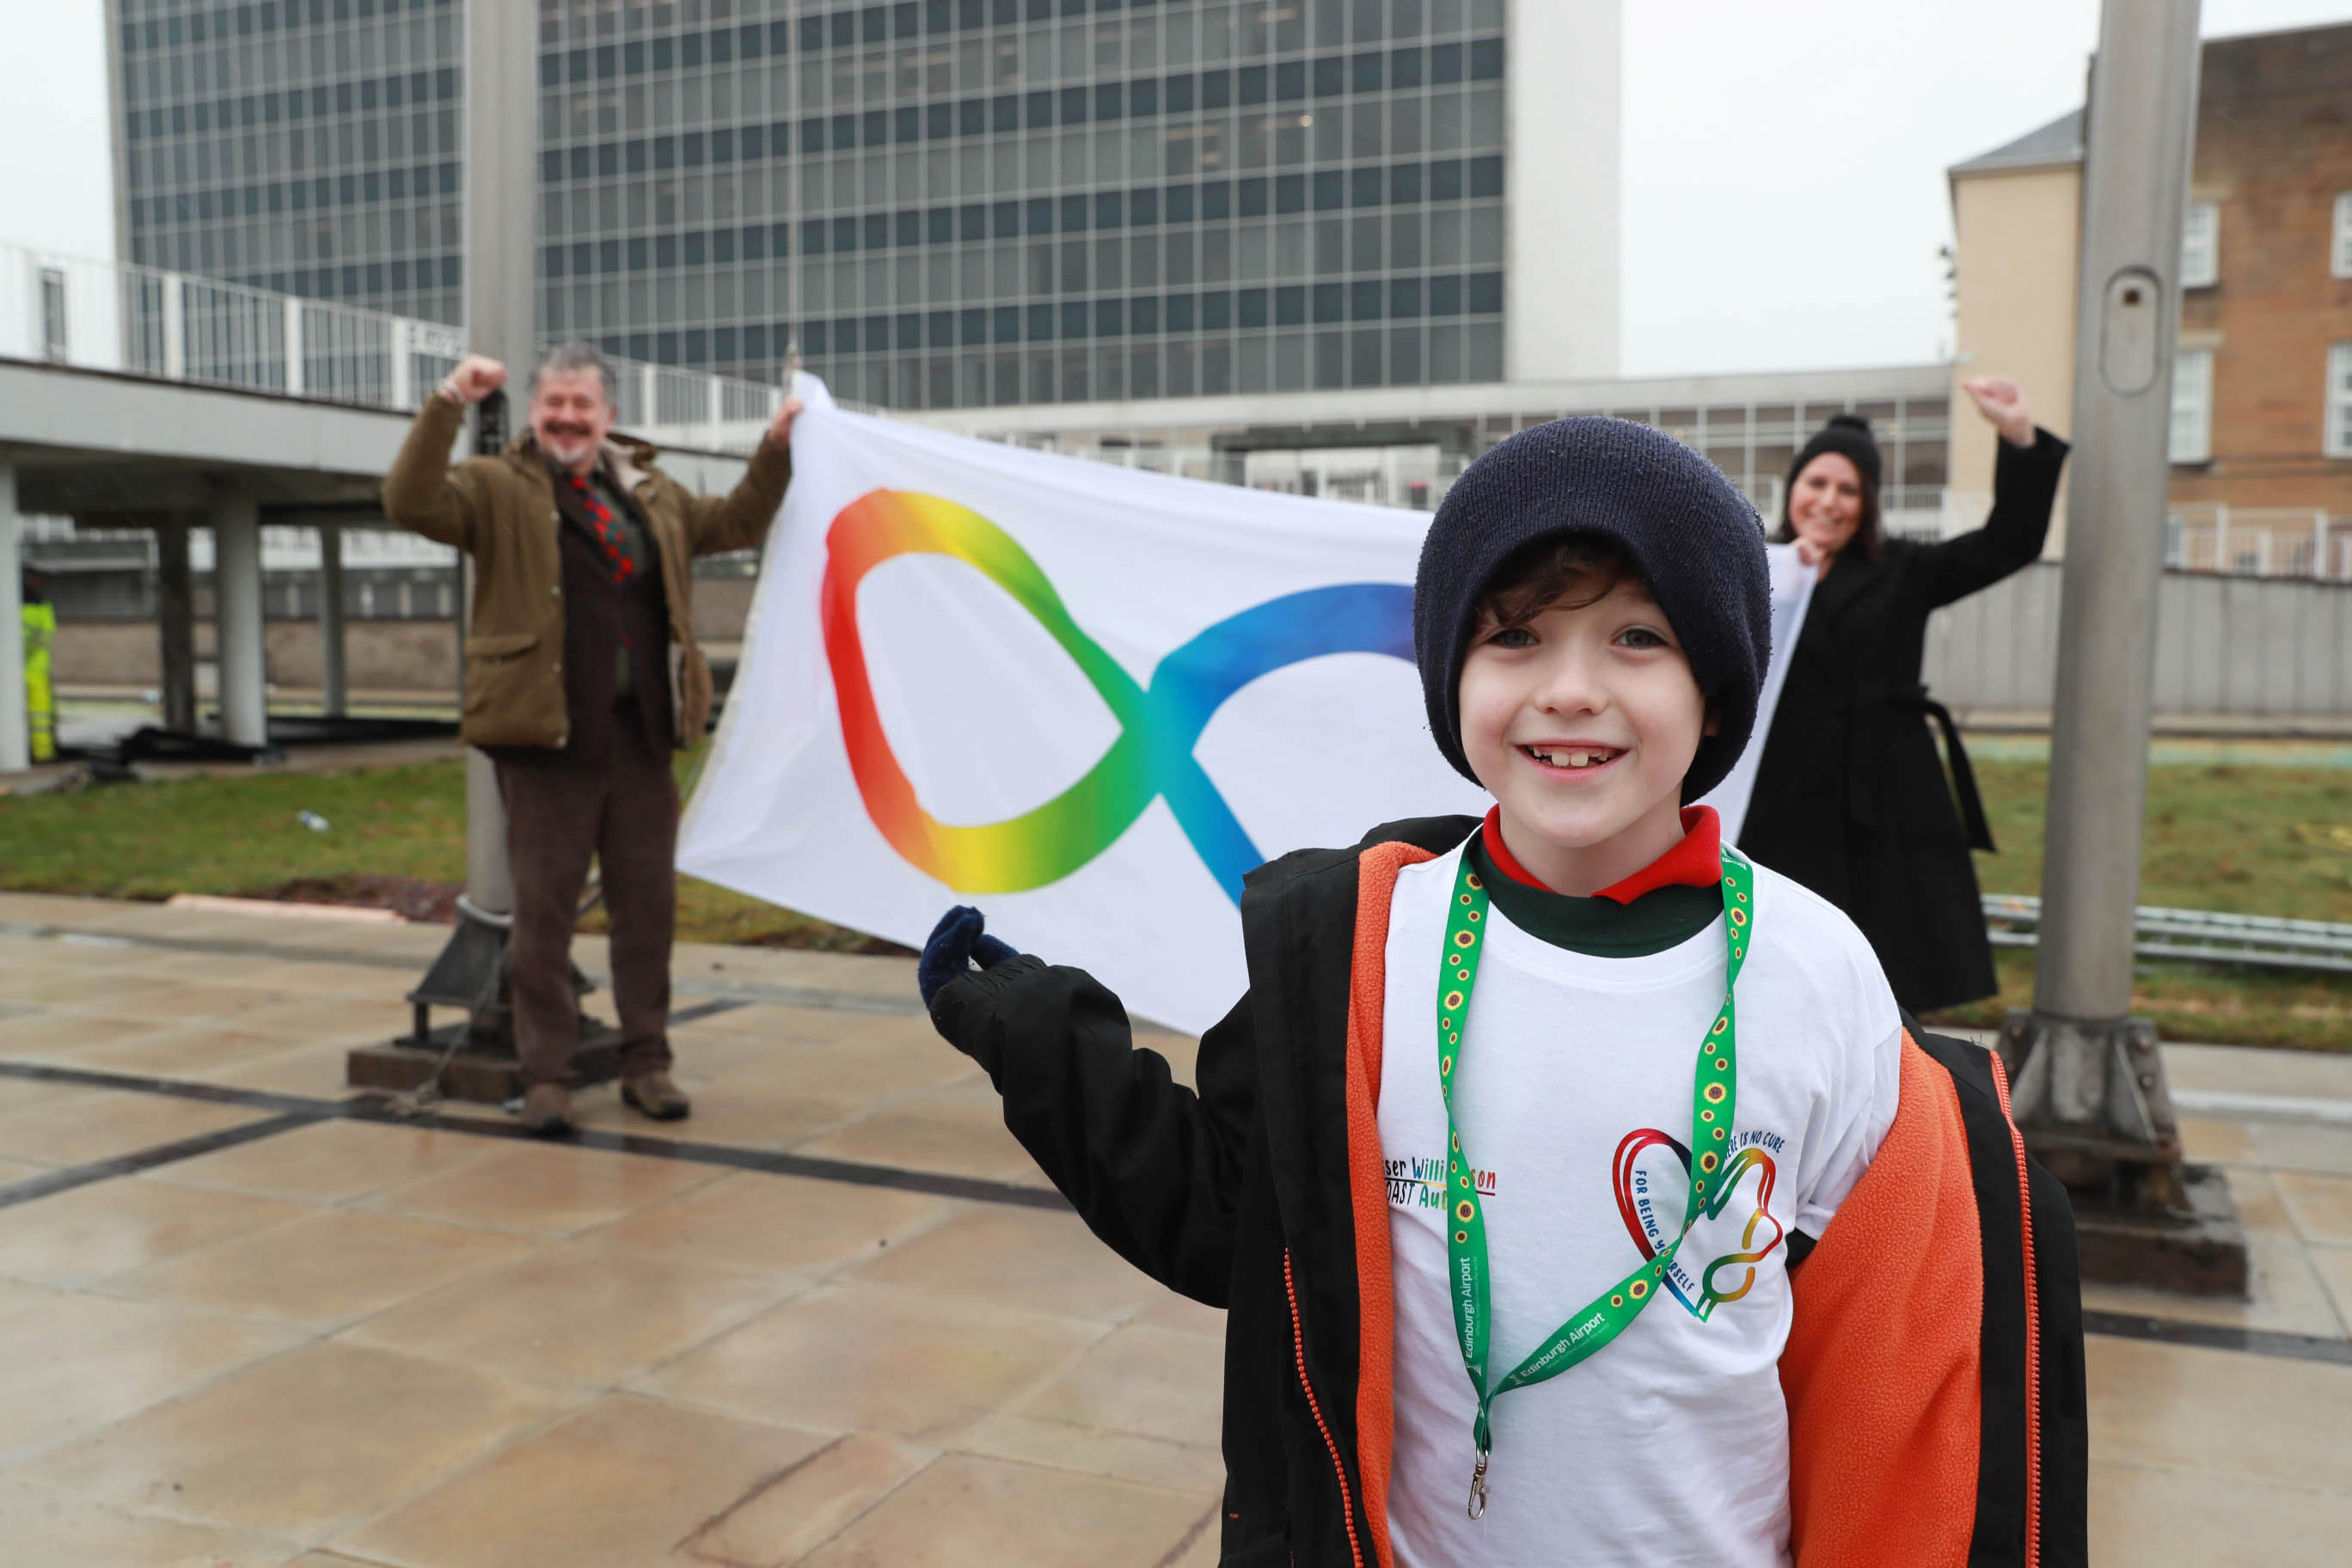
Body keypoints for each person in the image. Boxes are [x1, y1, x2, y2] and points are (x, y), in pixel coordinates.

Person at [916, 420, 2083, 1567]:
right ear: (1451, 678)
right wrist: (1038, 1040)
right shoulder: (1362, 947)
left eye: (1637, 637)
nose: (1570, 691)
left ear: (1716, 693)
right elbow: (1240, 1221)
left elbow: (1906, 1393)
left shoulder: (1818, 973)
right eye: (1516, 638)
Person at [383, 341, 800, 1136]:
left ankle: (648, 1063)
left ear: (609, 415)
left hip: (640, 738)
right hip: (546, 742)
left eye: (583, 406)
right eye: (554, 406)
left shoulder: (652, 493)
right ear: (536, 413)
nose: (568, 419)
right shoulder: (495, 487)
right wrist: (448, 402)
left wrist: (776, 449)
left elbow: (739, 519)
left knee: (648, 913)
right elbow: (408, 501)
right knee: (543, 920)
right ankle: (547, 1075)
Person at [1741, 378, 2068, 1018]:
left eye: (1848, 490)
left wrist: (2017, 435)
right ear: (1794, 491)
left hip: (1885, 795)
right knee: (1783, 974)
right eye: (1817, 483)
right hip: (1784, 800)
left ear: (1867, 504)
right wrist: (1787, 578)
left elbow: (2010, 543)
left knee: (1892, 977)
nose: (1829, 502)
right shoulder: (1759, 568)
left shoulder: (1904, 571)